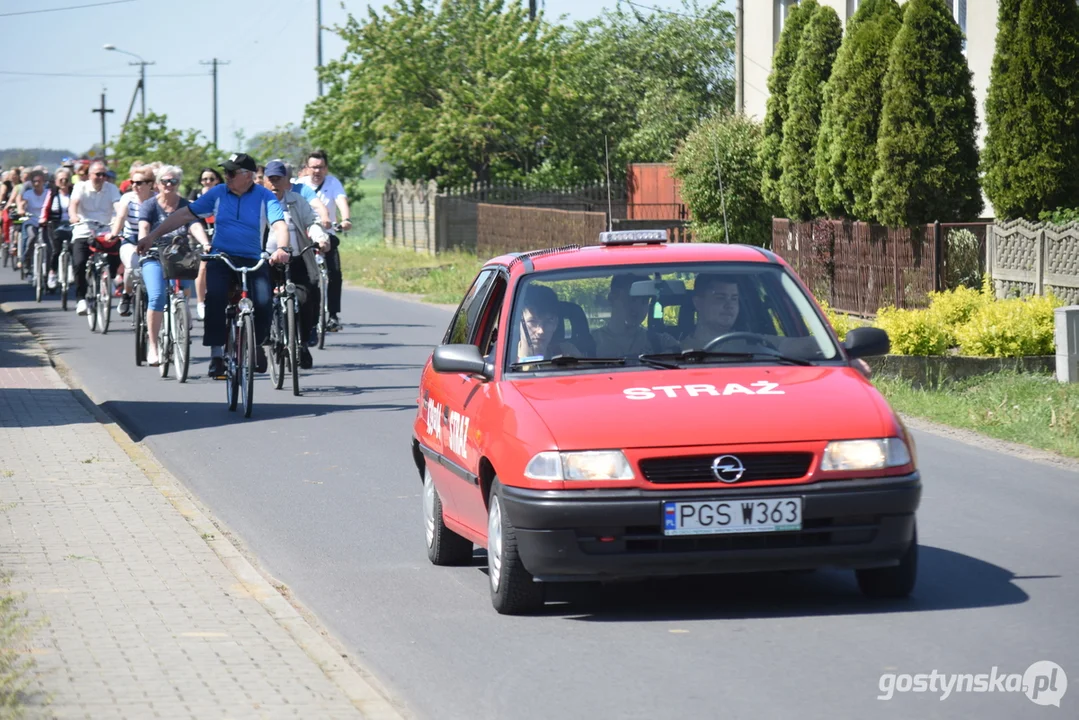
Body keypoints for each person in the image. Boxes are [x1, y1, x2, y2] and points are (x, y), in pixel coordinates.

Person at [139, 152, 289, 380]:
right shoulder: (218, 193)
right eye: (225, 172)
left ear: (248, 176)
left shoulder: (265, 196)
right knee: (216, 297)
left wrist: (282, 248)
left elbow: (279, 224)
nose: (225, 176)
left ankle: (256, 343)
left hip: (252, 258)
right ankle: (217, 354)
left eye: (231, 172)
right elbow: (183, 215)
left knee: (264, 300)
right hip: (222, 257)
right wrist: (153, 236)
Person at [137, 165, 209, 366]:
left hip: (180, 255)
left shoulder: (185, 204)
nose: (169, 185)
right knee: (157, 297)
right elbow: (144, 227)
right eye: (165, 181)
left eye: (173, 181)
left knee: (185, 293)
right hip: (154, 255)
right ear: (157, 184)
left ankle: (181, 318)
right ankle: (153, 346)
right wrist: (144, 241)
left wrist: (205, 242)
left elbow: (194, 225)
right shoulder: (150, 205)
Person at [261, 159, 329, 370]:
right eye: (270, 179)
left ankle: (301, 343)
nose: (274, 184)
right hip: (266, 259)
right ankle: (264, 336)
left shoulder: (297, 201)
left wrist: (320, 238)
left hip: (296, 259)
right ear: (263, 181)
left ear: (286, 181)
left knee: (306, 298)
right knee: (261, 299)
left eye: (278, 179)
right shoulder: (258, 203)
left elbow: (311, 223)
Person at [300, 150, 350, 331]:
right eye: (313, 167)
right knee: (305, 276)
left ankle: (333, 315)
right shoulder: (300, 185)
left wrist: (346, 219)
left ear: (326, 168)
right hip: (305, 235)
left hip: (328, 233)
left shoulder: (333, 183)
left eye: (320, 167)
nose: (317, 171)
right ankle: (307, 314)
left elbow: (341, 200)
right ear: (307, 168)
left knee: (335, 273)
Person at [69, 160, 121, 315]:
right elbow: (74, 204)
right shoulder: (80, 187)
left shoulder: (111, 188)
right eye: (98, 174)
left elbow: (118, 206)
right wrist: (73, 216)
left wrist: (120, 218)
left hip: (105, 229)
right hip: (84, 228)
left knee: (116, 254)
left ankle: (108, 278)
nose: (101, 177)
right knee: (79, 263)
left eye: (104, 174)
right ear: (89, 175)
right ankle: (81, 299)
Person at [593, 273, 680, 358]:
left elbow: (688, 355)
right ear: (612, 298)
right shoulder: (591, 343)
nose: (638, 307)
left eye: (644, 301)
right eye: (632, 299)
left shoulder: (660, 342)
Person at [115, 164, 158, 316]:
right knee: (132, 266)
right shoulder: (127, 198)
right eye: (132, 182)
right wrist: (114, 233)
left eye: (139, 183)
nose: (134, 186)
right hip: (130, 239)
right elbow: (120, 217)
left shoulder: (157, 199)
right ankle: (126, 295)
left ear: (150, 184)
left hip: (152, 240)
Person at [514, 284, 580, 364]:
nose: (541, 330)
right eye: (532, 321)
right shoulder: (503, 360)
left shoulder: (567, 352)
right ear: (518, 322)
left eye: (549, 321)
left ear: (556, 324)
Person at [189, 167, 223, 319]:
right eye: (205, 179)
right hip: (202, 238)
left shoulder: (223, 194)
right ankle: (201, 302)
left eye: (211, 179)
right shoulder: (195, 195)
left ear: (217, 180)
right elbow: (190, 214)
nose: (208, 182)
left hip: (221, 237)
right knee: (203, 268)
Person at [681, 273, 742, 351]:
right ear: (698, 303)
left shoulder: (755, 350)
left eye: (734, 299)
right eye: (720, 298)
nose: (729, 305)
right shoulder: (677, 354)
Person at [41, 167, 75, 289]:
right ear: (56, 181)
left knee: (73, 248)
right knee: (55, 250)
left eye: (66, 179)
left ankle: (71, 270)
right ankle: (52, 272)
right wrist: (43, 218)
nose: (63, 182)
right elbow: (45, 207)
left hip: (72, 223)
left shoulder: (74, 192)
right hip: (55, 223)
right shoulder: (52, 193)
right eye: (61, 179)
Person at [15, 169, 49, 276]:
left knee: (49, 243)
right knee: (31, 236)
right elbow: (22, 203)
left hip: (45, 221)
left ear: (43, 181)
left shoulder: (48, 193)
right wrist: (21, 209)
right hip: (32, 220)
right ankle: (27, 260)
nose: (36, 183)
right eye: (34, 181)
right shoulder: (28, 193)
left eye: (39, 181)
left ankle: (49, 268)